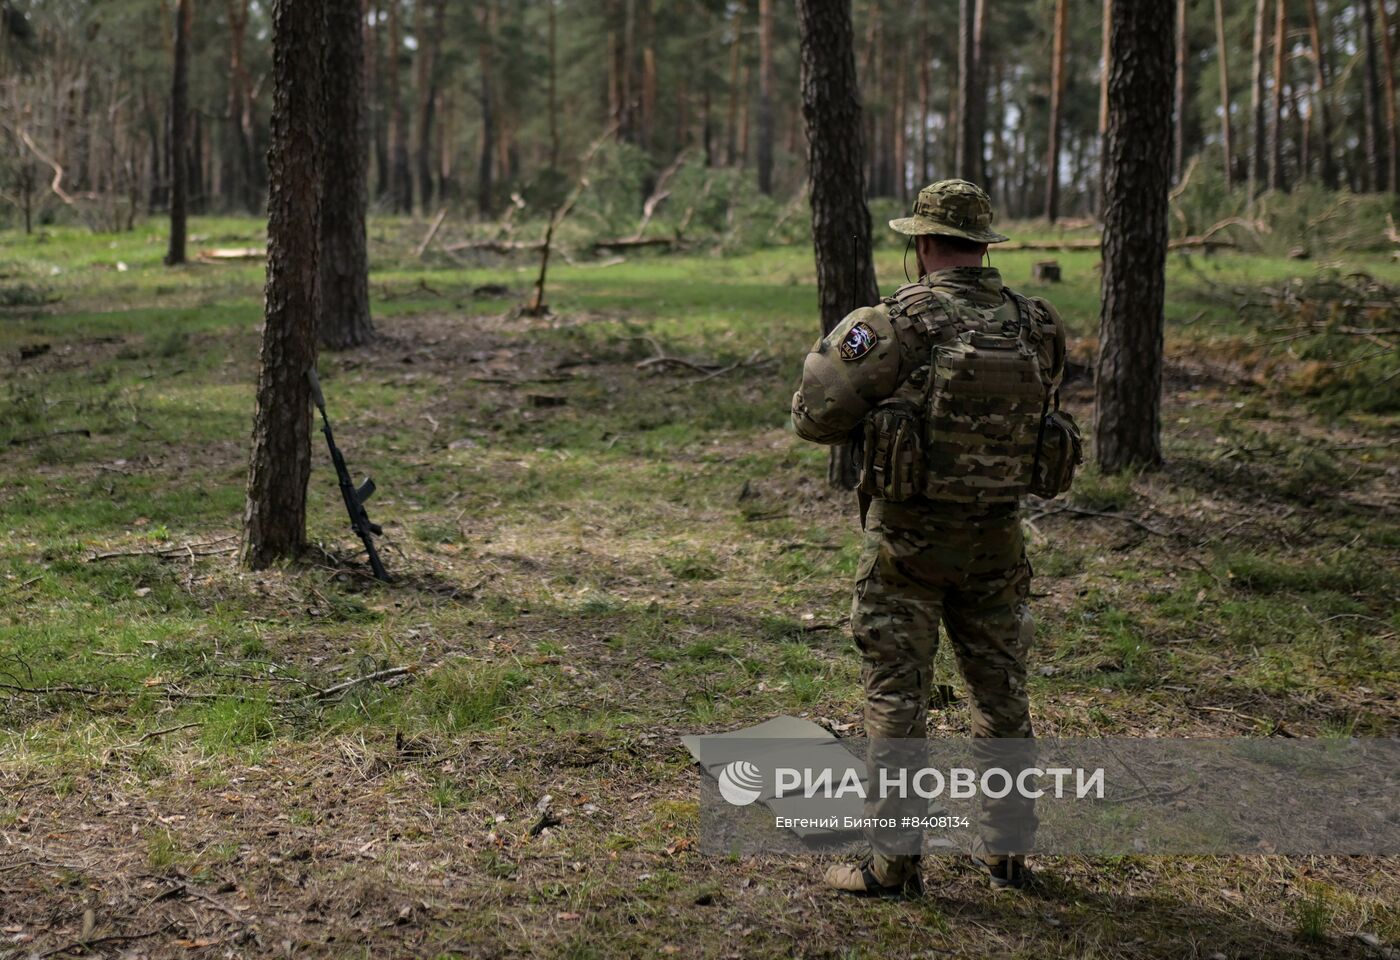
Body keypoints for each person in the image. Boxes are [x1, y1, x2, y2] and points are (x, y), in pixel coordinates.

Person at [791, 179, 1070, 894]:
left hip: (907, 547)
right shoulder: (1036, 323)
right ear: (983, 247)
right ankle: (1008, 852)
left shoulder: (896, 324)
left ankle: (894, 864)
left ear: (921, 245)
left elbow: (813, 414)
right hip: (997, 543)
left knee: (896, 692)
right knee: (1001, 691)